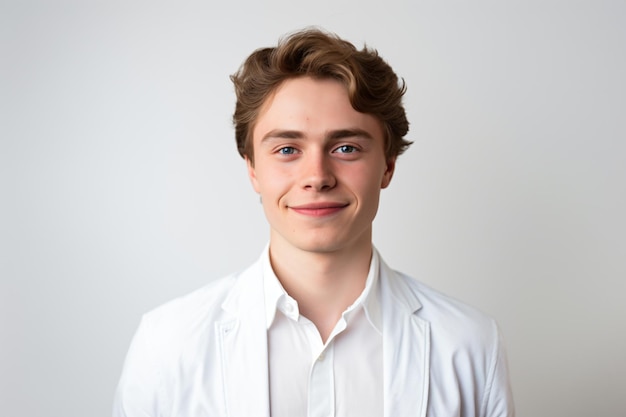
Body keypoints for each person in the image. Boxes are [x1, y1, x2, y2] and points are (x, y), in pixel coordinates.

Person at [113, 28, 515, 417]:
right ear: (252, 168)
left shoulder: (469, 344)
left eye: (346, 147)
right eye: (287, 149)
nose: (317, 175)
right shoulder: (167, 344)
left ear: (388, 166)